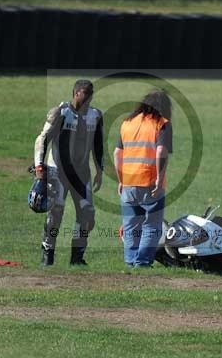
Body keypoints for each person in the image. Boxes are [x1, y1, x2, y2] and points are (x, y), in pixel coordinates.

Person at [34, 79, 103, 266]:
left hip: (81, 173)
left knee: (87, 214)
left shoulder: (95, 115)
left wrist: (99, 170)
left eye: (91, 95)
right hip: (58, 171)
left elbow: (98, 144)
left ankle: (77, 257)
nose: (88, 99)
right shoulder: (61, 113)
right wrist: (39, 166)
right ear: (76, 93)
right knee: (56, 213)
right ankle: (47, 254)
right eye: (85, 95)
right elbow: (42, 139)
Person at [114, 89, 172, 268]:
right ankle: (143, 262)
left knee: (131, 226)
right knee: (152, 225)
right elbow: (161, 151)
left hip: (129, 182)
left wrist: (121, 180)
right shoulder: (161, 123)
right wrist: (159, 178)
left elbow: (117, 153)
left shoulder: (127, 123)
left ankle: (130, 261)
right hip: (150, 182)